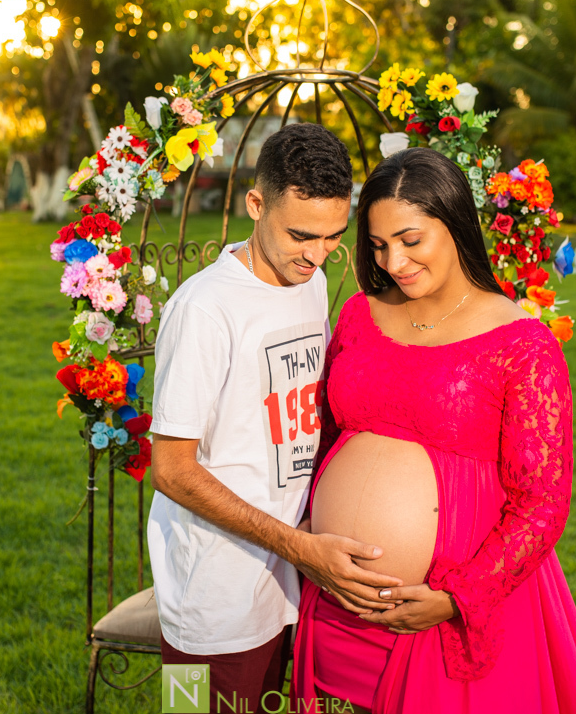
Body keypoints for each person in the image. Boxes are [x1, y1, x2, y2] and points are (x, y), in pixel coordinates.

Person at [293, 147, 576, 714]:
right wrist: (305, 533)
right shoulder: (359, 316)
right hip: (332, 599)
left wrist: (454, 598)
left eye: (410, 240)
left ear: (455, 222)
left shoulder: (522, 344)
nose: (394, 261)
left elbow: (541, 505)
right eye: (378, 245)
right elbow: (324, 438)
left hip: (441, 619)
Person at [148, 123, 404, 713]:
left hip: (286, 583)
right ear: (256, 204)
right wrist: (298, 546)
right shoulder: (204, 310)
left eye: (333, 236)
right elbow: (172, 471)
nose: (317, 255)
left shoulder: (307, 285)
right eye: (300, 235)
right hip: (212, 598)